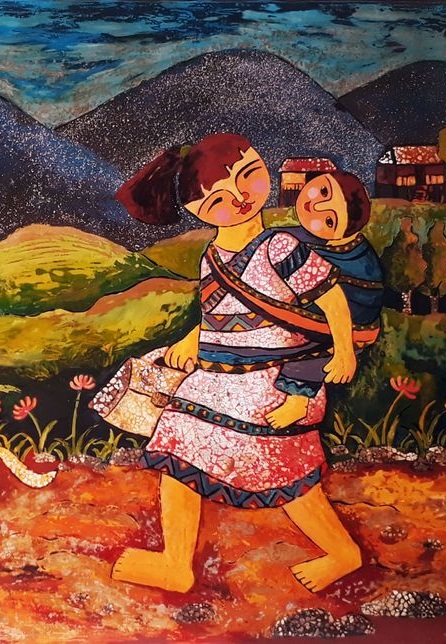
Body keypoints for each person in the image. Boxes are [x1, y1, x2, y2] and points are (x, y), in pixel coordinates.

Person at [109, 133, 379, 594]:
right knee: (178, 452)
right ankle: (176, 562)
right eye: (217, 199)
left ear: (263, 168)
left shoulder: (280, 247)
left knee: (288, 475)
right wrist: (193, 340)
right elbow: (219, 315)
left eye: (247, 176)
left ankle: (342, 552)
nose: (238, 198)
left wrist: (342, 353)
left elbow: (331, 300)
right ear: (195, 211)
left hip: (278, 383)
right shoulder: (212, 257)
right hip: (218, 381)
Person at [267, 172, 384, 428]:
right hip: (312, 301)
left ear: (338, 236)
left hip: (351, 315)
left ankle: (298, 401)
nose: (316, 207)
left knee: (310, 346)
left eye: (329, 220)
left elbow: (336, 299)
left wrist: (345, 351)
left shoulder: (351, 259)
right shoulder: (297, 235)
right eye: (323, 192)